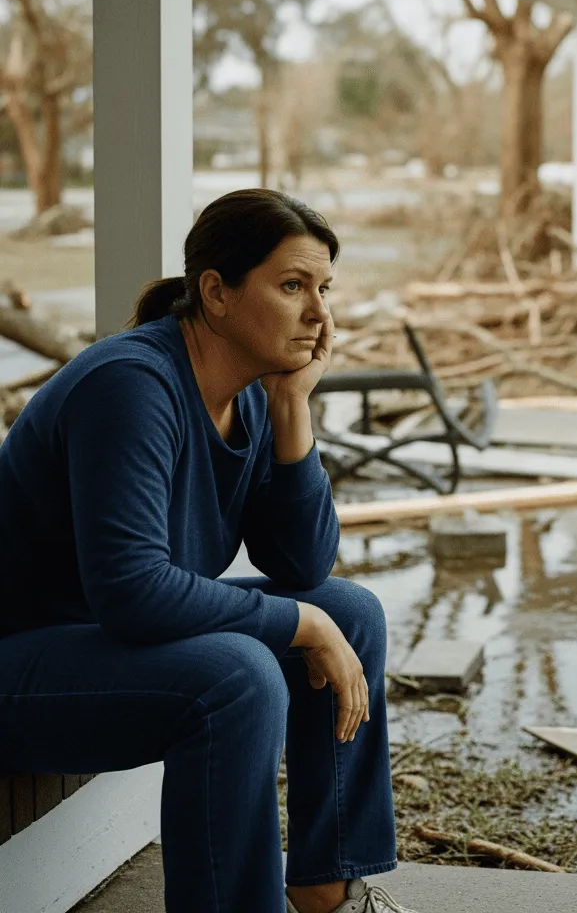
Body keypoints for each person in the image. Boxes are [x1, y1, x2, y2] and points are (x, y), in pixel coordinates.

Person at [0, 189, 418, 913]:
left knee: (349, 611)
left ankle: (327, 890)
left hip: (99, 650)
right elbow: (132, 590)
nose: (320, 314)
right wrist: (300, 625)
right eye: (293, 287)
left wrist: (294, 409)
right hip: (22, 662)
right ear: (216, 293)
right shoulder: (130, 385)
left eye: (324, 289)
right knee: (239, 674)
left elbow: (304, 567)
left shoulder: (252, 392)